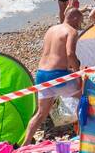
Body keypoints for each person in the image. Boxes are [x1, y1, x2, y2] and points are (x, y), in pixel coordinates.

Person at [20, 8, 82, 145]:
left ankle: (25, 143)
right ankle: (83, 135)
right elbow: (70, 54)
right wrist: (77, 73)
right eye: (80, 22)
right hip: (58, 75)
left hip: (41, 74)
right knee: (83, 97)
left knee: (41, 113)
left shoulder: (51, 30)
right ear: (75, 19)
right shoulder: (71, 31)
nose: (80, 25)